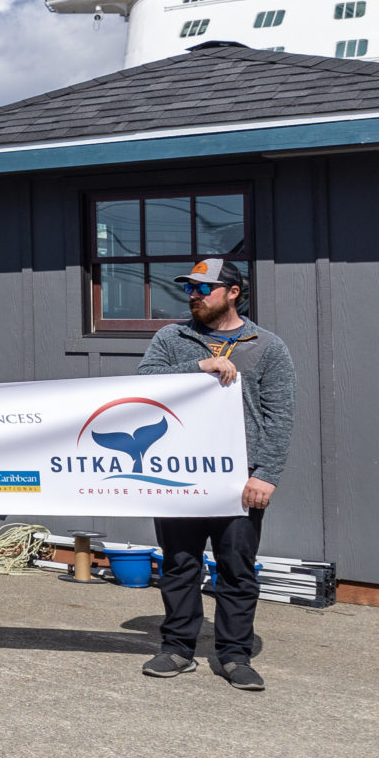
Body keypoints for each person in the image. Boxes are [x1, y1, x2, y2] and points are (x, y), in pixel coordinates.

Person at [135, 256, 295, 691]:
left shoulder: (267, 345)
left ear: (233, 293)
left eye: (203, 289)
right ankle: (177, 648)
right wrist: (197, 367)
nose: (193, 296)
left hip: (237, 480)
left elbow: (279, 415)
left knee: (237, 568)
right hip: (179, 474)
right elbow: (144, 384)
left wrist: (266, 474)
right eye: (190, 289)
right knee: (179, 564)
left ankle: (233, 654)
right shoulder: (173, 337)